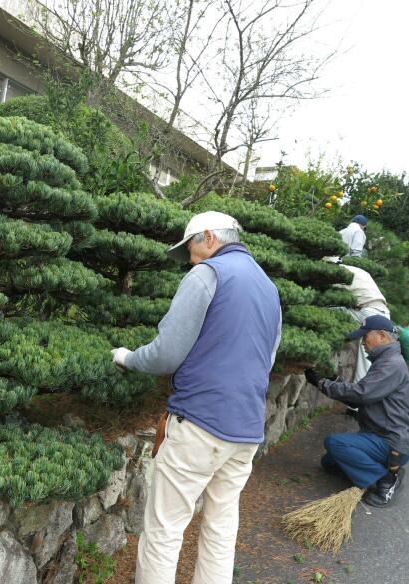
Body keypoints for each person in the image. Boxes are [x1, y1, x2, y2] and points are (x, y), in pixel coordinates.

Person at [110, 211, 282, 583]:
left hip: (199, 423)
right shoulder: (269, 287)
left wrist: (126, 357)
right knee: (221, 525)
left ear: (208, 236)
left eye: (189, 247)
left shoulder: (207, 275)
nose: (188, 257)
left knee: (165, 528)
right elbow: (266, 359)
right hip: (246, 429)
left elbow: (167, 353)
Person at [304, 315, 409, 508]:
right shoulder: (385, 360)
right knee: (329, 463)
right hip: (379, 436)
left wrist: (323, 384)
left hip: (391, 442)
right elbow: (361, 394)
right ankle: (385, 468)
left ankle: (387, 478)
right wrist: (334, 382)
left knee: (334, 443)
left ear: (381, 335)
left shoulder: (391, 364)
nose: (362, 342)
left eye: (365, 337)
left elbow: (361, 394)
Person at [328, 257, 390, 382]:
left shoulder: (337, 274)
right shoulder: (359, 270)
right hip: (383, 312)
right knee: (378, 355)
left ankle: (361, 390)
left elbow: (327, 296)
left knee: (366, 356)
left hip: (367, 312)